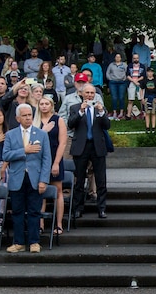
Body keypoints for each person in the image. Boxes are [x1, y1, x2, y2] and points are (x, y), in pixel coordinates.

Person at [3, 104, 51, 253]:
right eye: (24, 115)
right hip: (17, 178)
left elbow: (46, 158)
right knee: (17, 212)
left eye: (30, 115)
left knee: (34, 211)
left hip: (35, 178)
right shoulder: (10, 135)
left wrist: (43, 180)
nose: (28, 117)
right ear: (18, 118)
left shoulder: (41, 134)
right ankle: (18, 242)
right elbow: (5, 155)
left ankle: (34, 242)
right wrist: (24, 150)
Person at [68, 84, 110, 219]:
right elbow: (71, 124)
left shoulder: (100, 108)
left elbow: (107, 125)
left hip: (97, 146)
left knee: (101, 180)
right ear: (82, 94)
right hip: (81, 146)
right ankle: (78, 208)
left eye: (92, 93)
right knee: (79, 180)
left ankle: (102, 208)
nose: (90, 95)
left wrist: (102, 112)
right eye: (87, 93)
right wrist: (81, 111)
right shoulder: (75, 108)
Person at [37, 97, 67, 235]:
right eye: (41, 104)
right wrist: (44, 130)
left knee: (58, 190)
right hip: (39, 160)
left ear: (52, 105)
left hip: (55, 157)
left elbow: (62, 143)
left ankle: (59, 224)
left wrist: (56, 163)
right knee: (40, 191)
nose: (44, 106)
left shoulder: (58, 120)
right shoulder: (35, 120)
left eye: (46, 104)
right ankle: (40, 224)